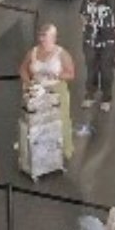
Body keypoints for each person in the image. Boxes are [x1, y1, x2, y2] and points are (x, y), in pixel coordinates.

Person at [19, 22, 76, 159]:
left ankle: (65, 150)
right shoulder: (33, 52)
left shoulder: (61, 54)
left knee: (61, 119)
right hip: (37, 89)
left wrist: (58, 75)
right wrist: (29, 83)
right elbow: (22, 69)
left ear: (53, 38)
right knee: (36, 120)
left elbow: (71, 74)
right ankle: (38, 150)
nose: (42, 40)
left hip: (56, 89)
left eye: (46, 37)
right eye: (41, 36)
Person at [79, 0, 115, 113]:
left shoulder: (113, 2)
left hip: (108, 41)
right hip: (90, 41)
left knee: (106, 70)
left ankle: (106, 98)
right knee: (91, 69)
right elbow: (82, 15)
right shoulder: (86, 1)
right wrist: (85, 25)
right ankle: (90, 94)